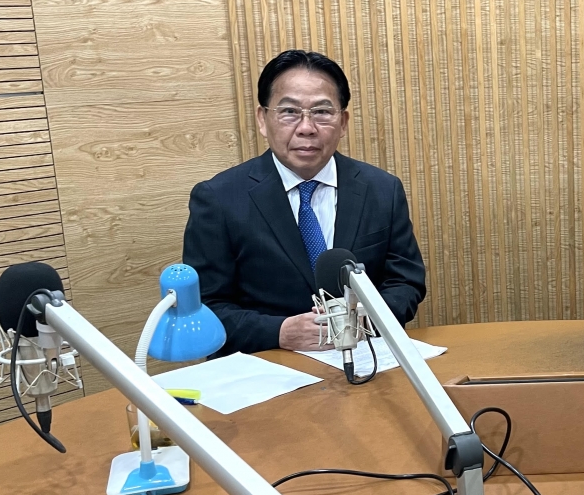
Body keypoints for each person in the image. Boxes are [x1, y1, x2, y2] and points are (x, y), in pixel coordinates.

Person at [183, 49, 426, 355]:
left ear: (343, 122)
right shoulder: (218, 199)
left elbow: (406, 282)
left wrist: (367, 319)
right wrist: (279, 332)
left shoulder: (382, 189)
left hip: (366, 358)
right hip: (269, 365)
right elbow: (204, 307)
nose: (307, 127)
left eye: (322, 112)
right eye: (289, 111)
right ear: (262, 119)